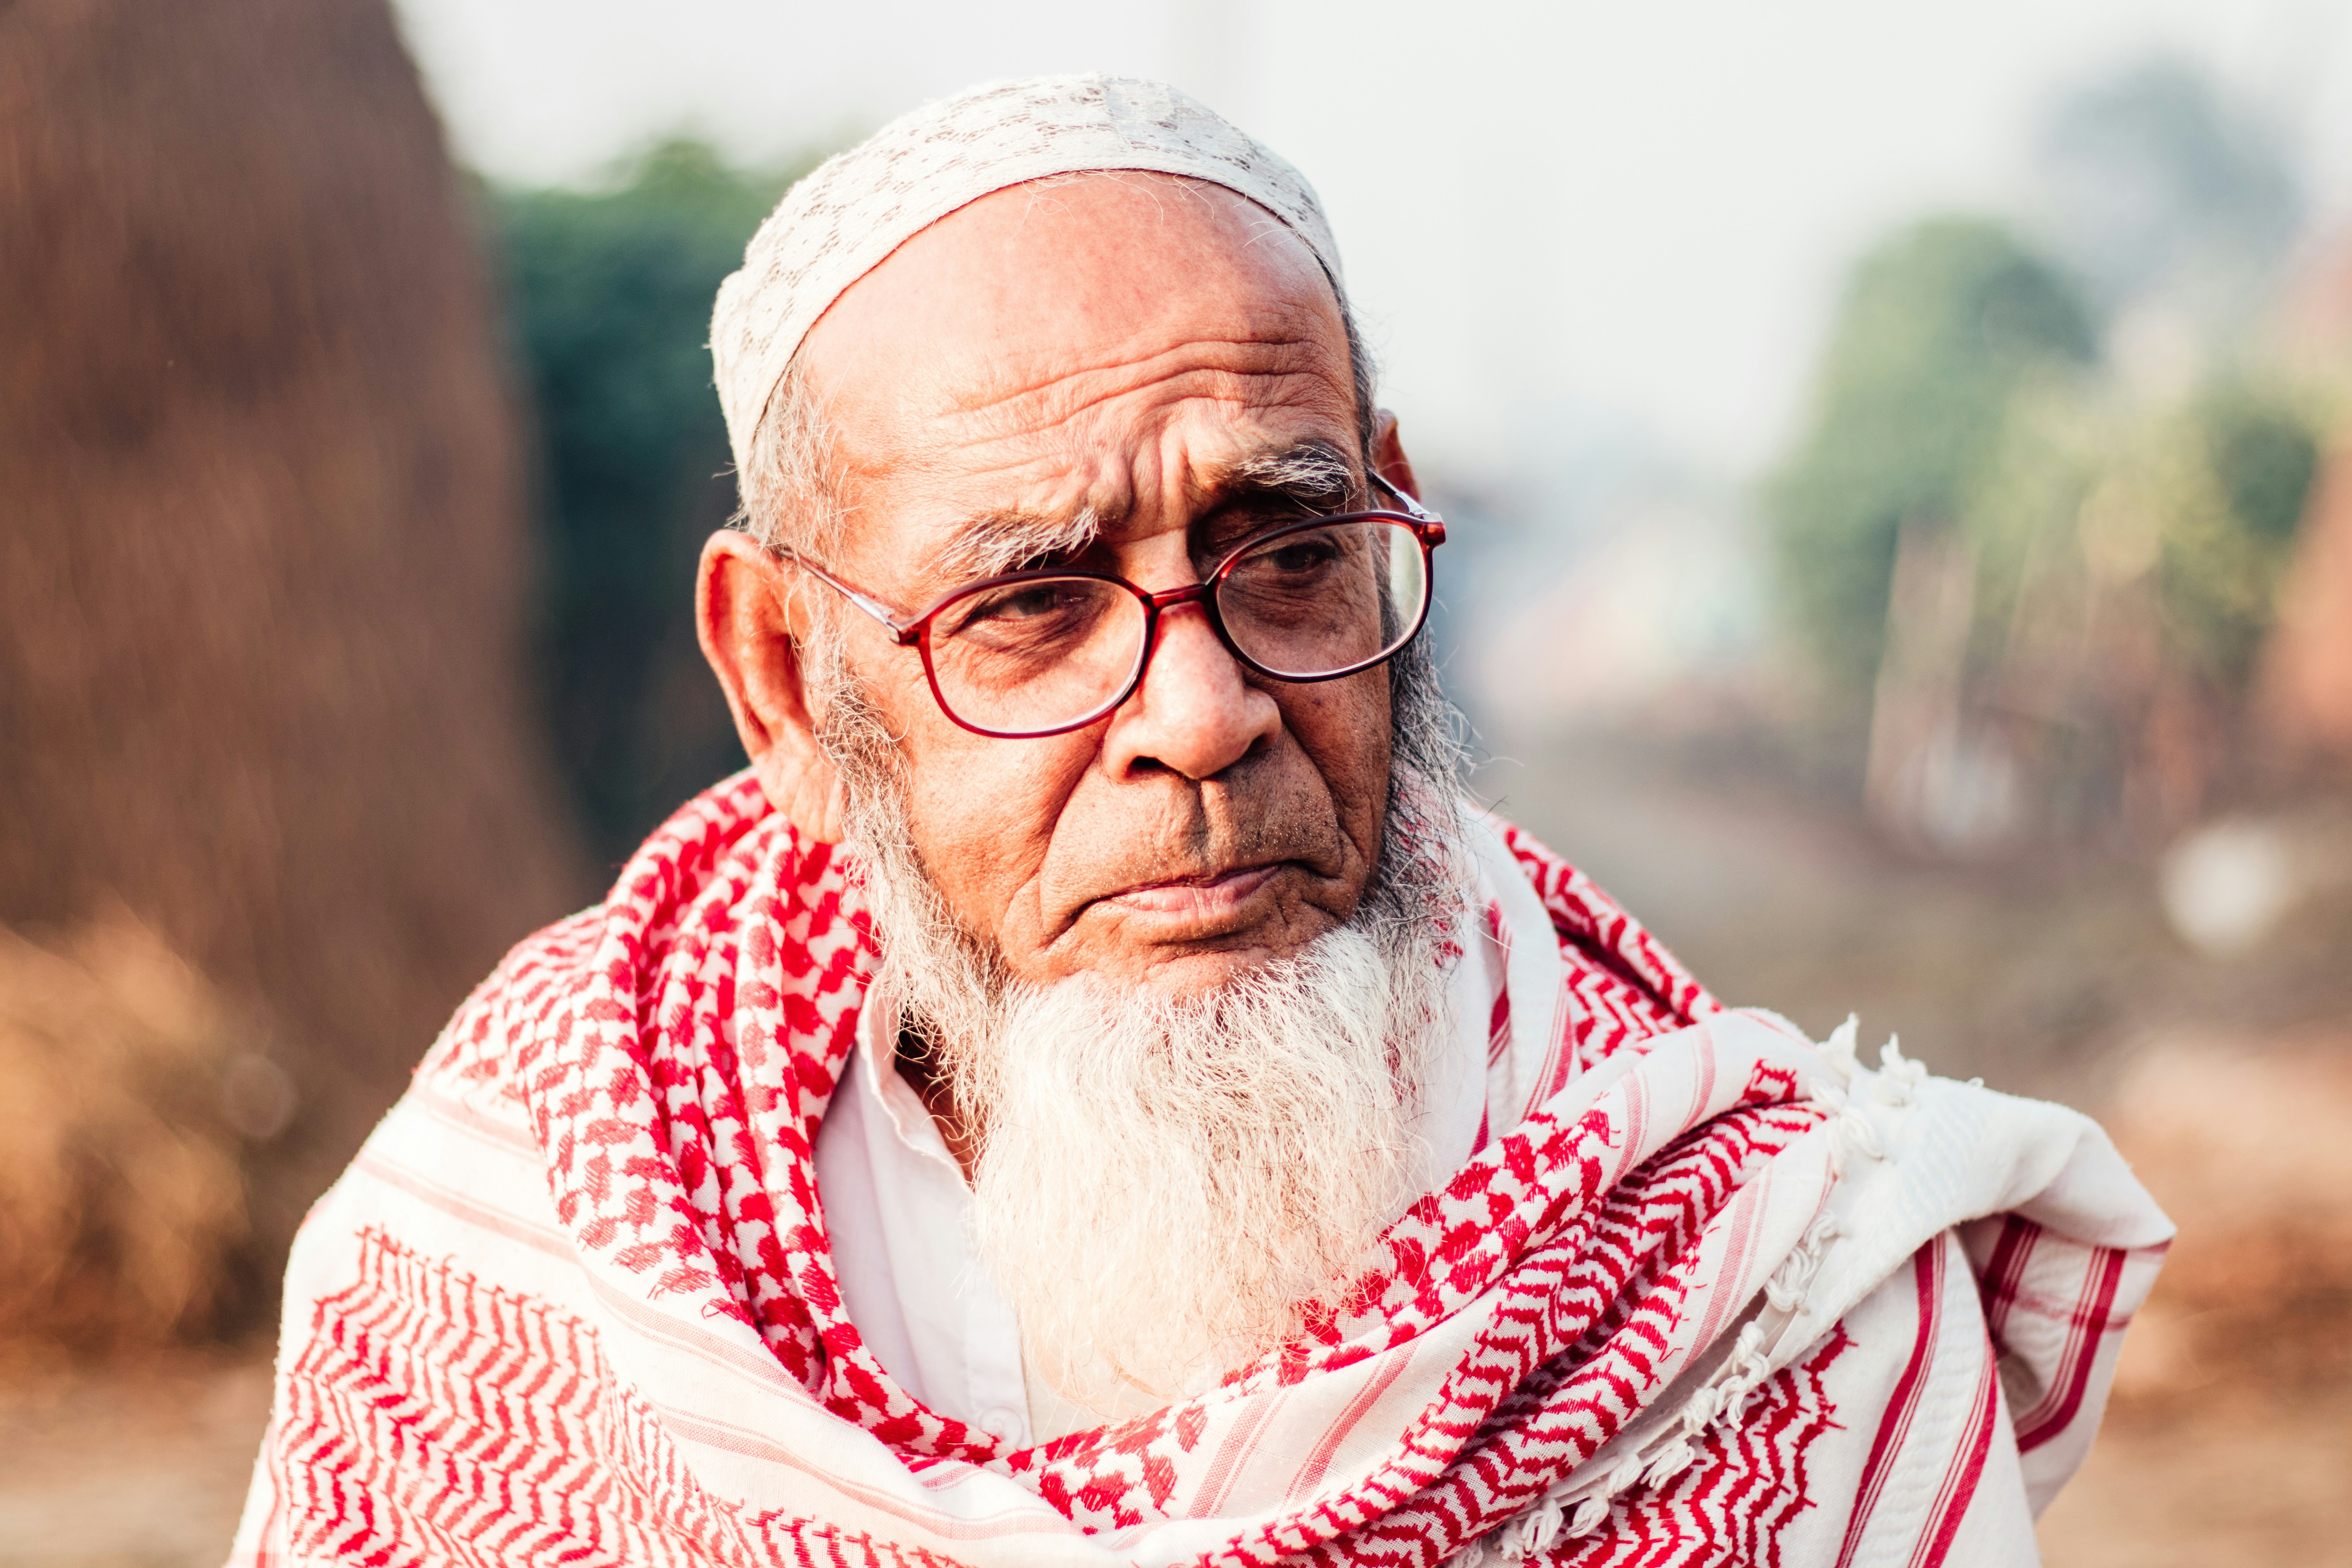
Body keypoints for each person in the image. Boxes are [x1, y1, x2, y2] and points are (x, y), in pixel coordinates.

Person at [228, 76, 2169, 1567]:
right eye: (1030, 606)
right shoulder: (522, 1253)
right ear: (788, 686)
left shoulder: (1770, 1290)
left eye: (1292, 554)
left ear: (1396, 508)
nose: (1205, 710)